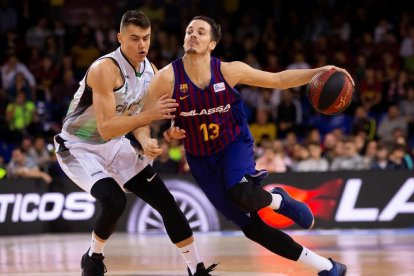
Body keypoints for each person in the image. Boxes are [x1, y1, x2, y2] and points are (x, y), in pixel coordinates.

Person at [141, 16, 351, 276]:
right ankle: (327, 267)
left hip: (233, 144)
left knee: (241, 193)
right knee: (253, 228)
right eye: (189, 31)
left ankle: (278, 201)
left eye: (201, 32)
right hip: (201, 159)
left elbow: (277, 80)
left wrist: (317, 73)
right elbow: (144, 117)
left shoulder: (229, 71)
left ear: (212, 44)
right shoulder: (166, 79)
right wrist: (151, 138)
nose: (193, 35)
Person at [54, 11, 216, 276]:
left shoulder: (150, 71)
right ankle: (93, 256)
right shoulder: (104, 69)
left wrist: (146, 139)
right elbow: (106, 126)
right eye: (135, 39)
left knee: (166, 202)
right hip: (79, 146)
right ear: (120, 38)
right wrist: (149, 116)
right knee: (114, 201)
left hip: (115, 144)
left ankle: (196, 268)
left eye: (146, 38)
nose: (142, 45)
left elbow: (137, 120)